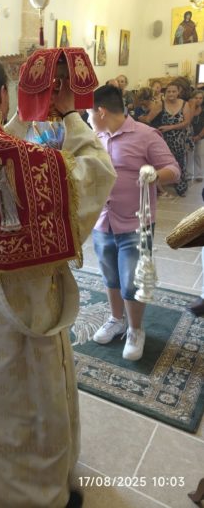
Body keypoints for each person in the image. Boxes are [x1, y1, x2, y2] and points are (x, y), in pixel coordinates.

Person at [0, 51, 116, 507]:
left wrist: (27, 114)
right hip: (29, 315)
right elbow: (98, 174)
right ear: (3, 94)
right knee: (33, 403)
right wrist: (68, 113)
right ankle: (41, 494)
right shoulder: (31, 164)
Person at [88, 85, 180, 361]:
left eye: (88, 113)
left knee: (132, 281)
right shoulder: (94, 137)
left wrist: (154, 175)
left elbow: (174, 170)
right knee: (110, 276)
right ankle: (116, 320)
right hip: (102, 221)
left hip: (135, 223)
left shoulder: (145, 135)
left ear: (101, 111)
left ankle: (135, 330)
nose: (87, 118)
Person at [158, 82, 192, 196]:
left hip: (179, 140)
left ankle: (181, 187)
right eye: (169, 91)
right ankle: (162, 186)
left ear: (178, 92)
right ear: (165, 93)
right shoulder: (161, 103)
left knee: (180, 163)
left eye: (174, 91)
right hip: (163, 140)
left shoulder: (184, 104)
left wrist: (170, 127)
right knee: (163, 162)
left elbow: (187, 122)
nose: (171, 94)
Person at [187, 90, 204, 181]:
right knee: (189, 156)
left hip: (201, 135)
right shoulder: (188, 108)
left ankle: (199, 175)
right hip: (189, 136)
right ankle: (189, 174)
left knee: (199, 155)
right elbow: (187, 121)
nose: (198, 100)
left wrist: (199, 136)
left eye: (200, 98)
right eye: (196, 98)